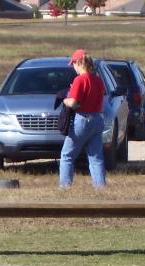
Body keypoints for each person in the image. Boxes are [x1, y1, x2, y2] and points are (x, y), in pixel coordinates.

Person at [59, 49, 106, 188]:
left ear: (79, 62)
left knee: (67, 155)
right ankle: (100, 187)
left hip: (82, 119)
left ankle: (65, 187)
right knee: (96, 157)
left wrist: (64, 99)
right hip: (97, 118)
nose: (73, 67)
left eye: (73, 63)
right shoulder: (98, 80)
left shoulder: (79, 80)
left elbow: (73, 103)